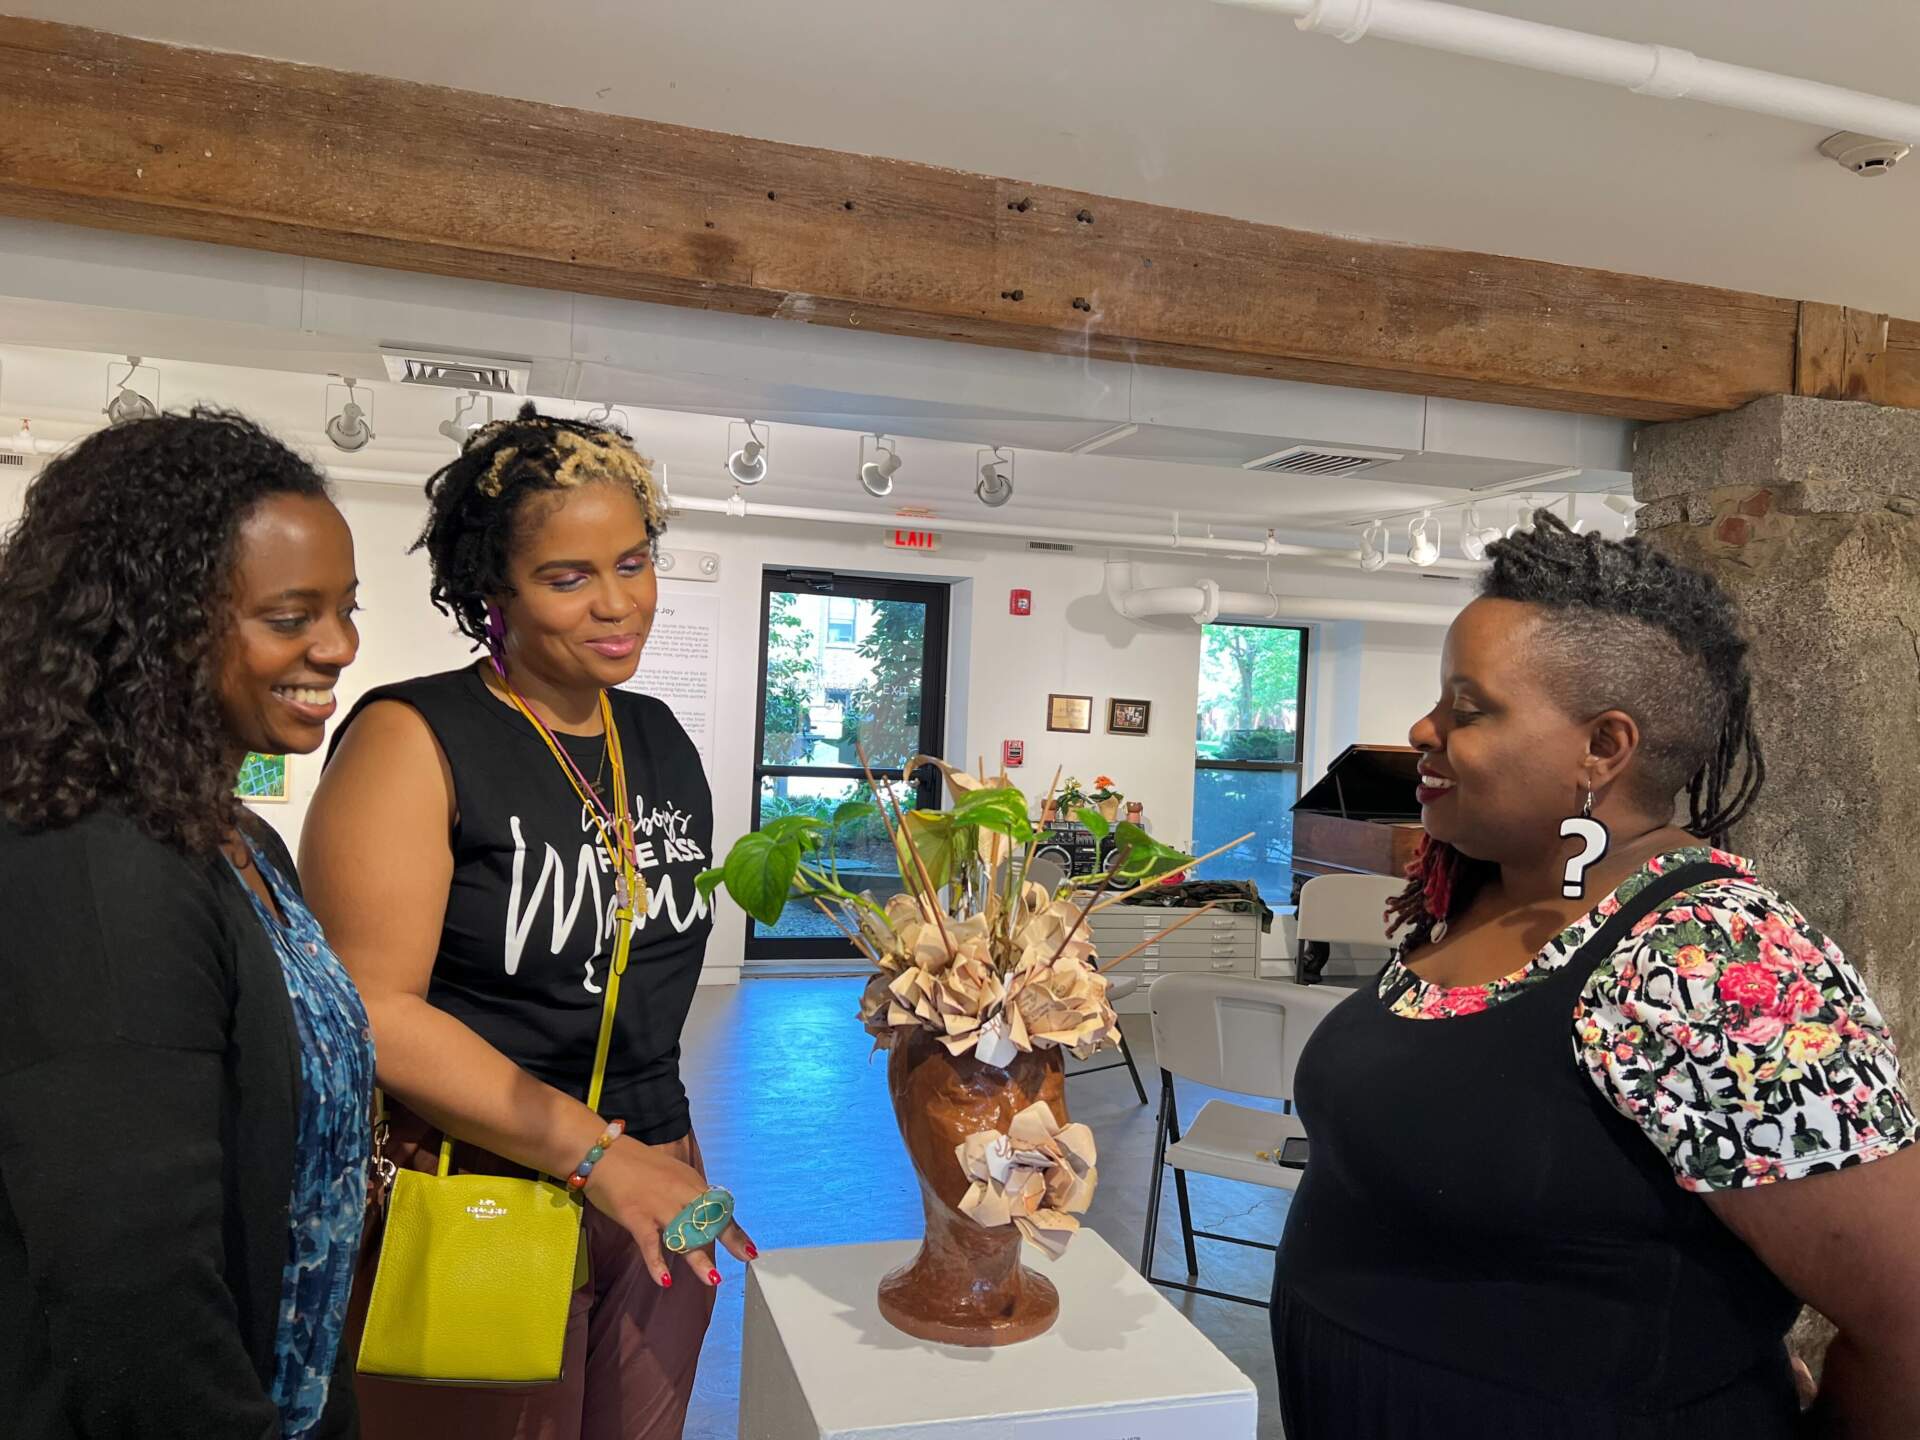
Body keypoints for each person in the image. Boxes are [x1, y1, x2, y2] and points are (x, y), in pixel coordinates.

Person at [1272, 514, 1920, 1439]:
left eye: (1469, 706)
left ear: (1603, 748)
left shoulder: (1711, 958)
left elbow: (1907, 1324)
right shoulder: (1487, 891)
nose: (1422, 729)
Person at [302, 404, 750, 1439]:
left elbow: (645, 975)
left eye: (634, 563)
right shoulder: (416, 737)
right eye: (568, 578)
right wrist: (595, 1154)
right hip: (480, 1182)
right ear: (487, 593)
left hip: (655, 1183)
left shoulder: (657, 736)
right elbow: (374, 1007)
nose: (617, 605)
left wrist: (666, 1157)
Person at [0, 411, 370, 1438]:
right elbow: (130, 1287)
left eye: (345, 608)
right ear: (159, 624)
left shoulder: (233, 834)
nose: (337, 646)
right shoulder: (96, 863)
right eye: (291, 614)